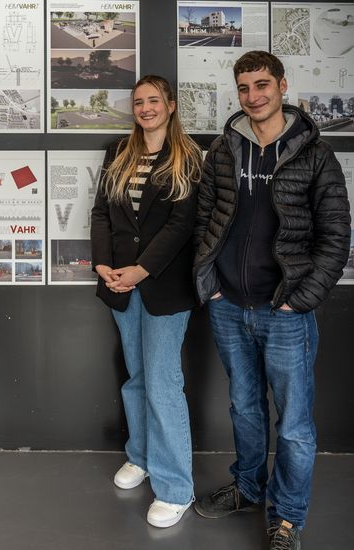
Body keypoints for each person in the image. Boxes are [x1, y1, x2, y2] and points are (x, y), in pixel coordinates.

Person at [193, 51, 350, 550]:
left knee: (296, 425)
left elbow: (336, 237)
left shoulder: (315, 155)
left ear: (283, 86)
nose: (253, 96)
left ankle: (287, 518)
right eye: (244, 88)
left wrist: (299, 300)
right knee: (244, 408)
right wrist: (210, 286)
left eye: (262, 85)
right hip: (228, 305)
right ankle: (248, 488)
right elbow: (204, 221)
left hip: (285, 310)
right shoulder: (223, 150)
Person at [90, 74, 202, 528]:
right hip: (119, 284)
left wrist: (141, 270)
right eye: (139, 102)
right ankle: (141, 456)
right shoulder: (118, 152)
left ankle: (176, 487)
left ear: (171, 106)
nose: (146, 108)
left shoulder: (188, 156)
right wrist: (103, 265)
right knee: (136, 378)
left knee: (162, 384)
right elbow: (101, 212)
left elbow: (182, 225)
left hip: (163, 287)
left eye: (154, 100)